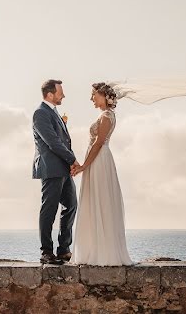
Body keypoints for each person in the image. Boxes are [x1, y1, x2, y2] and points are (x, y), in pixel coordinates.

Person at [71, 82, 133, 265]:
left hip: (99, 160)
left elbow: (98, 143)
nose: (92, 98)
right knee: (97, 200)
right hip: (98, 159)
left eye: (94, 95)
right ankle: (95, 249)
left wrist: (83, 166)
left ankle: (102, 253)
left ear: (104, 97)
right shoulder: (105, 115)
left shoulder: (106, 116)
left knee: (100, 200)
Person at [31, 79, 81, 265]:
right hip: (51, 168)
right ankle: (46, 251)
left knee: (71, 205)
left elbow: (63, 141)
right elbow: (53, 142)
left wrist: (70, 164)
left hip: (64, 169)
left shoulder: (54, 113)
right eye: (61, 92)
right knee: (49, 210)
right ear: (50, 94)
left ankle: (63, 249)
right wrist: (73, 160)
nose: (64, 95)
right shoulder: (40, 113)